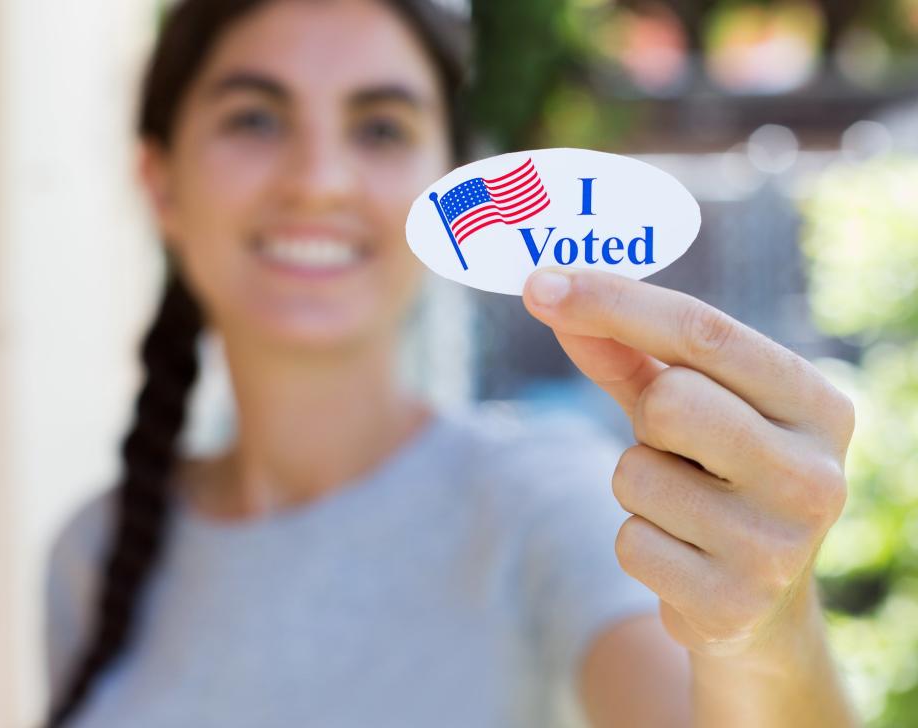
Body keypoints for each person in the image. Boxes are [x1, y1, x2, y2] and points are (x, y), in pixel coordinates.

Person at [43, 1, 860, 727]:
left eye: (381, 128)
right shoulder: (92, 553)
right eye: (255, 119)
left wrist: (763, 636)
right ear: (161, 184)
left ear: (449, 184)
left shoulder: (550, 503)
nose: (320, 181)